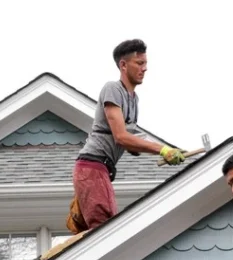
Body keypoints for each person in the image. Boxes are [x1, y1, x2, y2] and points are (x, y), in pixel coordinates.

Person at [69, 39, 186, 232]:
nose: (145, 68)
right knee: (103, 231)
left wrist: (168, 150)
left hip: (101, 170)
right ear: (123, 65)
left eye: (146, 63)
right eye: (140, 63)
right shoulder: (112, 89)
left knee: (103, 229)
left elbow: (132, 143)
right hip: (92, 168)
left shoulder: (133, 99)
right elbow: (121, 137)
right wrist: (162, 150)